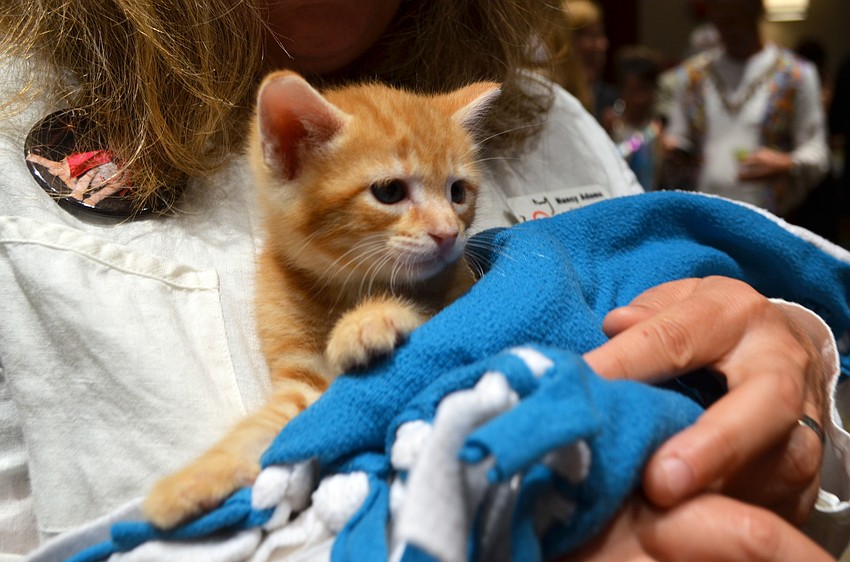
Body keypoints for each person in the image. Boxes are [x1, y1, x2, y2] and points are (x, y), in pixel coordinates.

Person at [0, 0, 844, 560]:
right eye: (394, 193)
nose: (445, 228)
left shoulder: (548, 117)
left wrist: (792, 381)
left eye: (460, 196)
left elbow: (632, 278)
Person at [663, 0, 829, 216]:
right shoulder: (692, 75)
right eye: (721, 21)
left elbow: (817, 152)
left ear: (757, 11)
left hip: (771, 217)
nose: (729, 30)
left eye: (737, 20)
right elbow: (677, 136)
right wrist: (674, 148)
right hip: (704, 214)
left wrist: (787, 163)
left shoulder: (796, 74)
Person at [607, 45, 664, 191]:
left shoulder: (659, 127)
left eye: (645, 89)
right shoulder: (609, 124)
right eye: (633, 90)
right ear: (621, 90)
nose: (639, 99)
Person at [564, 0, 618, 128]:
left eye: (601, 35)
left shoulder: (611, 101)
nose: (603, 44)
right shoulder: (550, 98)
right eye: (593, 36)